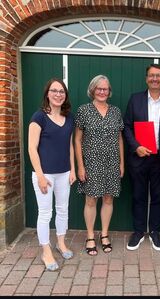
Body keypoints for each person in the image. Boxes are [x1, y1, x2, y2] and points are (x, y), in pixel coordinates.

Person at [124, 63, 160, 251]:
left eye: (158, 76)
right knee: (139, 195)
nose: (154, 79)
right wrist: (136, 147)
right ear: (146, 78)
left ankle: (154, 231)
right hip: (139, 157)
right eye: (151, 75)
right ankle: (139, 231)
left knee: (158, 196)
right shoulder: (135, 99)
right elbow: (127, 126)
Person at [28, 78, 76, 271]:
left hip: (64, 173)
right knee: (45, 213)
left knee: (63, 209)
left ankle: (61, 243)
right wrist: (40, 175)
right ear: (47, 94)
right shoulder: (38, 117)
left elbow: (70, 146)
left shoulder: (69, 118)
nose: (58, 94)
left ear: (65, 96)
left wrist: (72, 169)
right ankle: (46, 250)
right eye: (54, 91)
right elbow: (32, 148)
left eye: (62, 91)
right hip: (45, 175)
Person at [74, 75, 124, 255]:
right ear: (92, 90)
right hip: (91, 163)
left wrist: (121, 163)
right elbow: (78, 140)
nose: (102, 92)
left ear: (109, 92)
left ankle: (104, 234)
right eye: (99, 88)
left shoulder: (116, 111)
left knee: (109, 198)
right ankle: (89, 236)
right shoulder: (84, 110)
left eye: (105, 89)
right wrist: (80, 166)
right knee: (91, 200)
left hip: (112, 162)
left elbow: (120, 139)